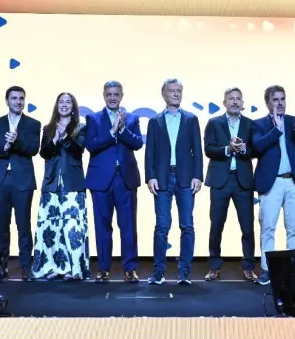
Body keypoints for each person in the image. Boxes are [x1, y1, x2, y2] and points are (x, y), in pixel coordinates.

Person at [84, 81, 144, 283]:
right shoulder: (93, 119)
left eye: (116, 94)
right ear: (104, 95)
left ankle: (130, 269)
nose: (112, 97)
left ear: (121, 96)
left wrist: (122, 129)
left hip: (125, 179)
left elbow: (138, 143)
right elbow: (91, 145)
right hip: (101, 180)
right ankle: (103, 269)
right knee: (102, 226)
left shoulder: (132, 118)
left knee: (128, 226)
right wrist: (111, 132)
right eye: (109, 94)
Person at [145, 78, 203, 285]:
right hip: (162, 178)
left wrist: (198, 176)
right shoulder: (155, 121)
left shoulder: (191, 119)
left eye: (179, 90)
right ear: (164, 94)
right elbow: (150, 151)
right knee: (162, 226)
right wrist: (150, 176)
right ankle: (158, 272)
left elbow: (197, 150)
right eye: (172, 90)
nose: (176, 93)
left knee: (187, 225)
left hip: (186, 178)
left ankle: (184, 272)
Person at [251, 85, 295, 286]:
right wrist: (276, 130)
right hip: (271, 182)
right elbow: (257, 147)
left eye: (282, 99)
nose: (280, 103)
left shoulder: (294, 122)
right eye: (275, 99)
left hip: (294, 181)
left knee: (294, 228)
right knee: (268, 227)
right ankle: (267, 270)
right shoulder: (258, 124)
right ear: (267, 102)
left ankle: (294, 270)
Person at [31, 92, 91, 281]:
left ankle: (75, 269)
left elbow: (78, 150)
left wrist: (65, 136)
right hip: (51, 184)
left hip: (73, 183)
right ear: (57, 106)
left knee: (73, 228)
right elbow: (44, 153)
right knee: (52, 228)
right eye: (61, 102)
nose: (64, 105)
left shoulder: (80, 128)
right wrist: (55, 139)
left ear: (73, 107)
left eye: (68, 102)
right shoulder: (48, 128)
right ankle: (54, 266)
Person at [0, 86, 41, 281]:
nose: (18, 102)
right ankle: (1, 268)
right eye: (14, 98)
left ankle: (26, 267)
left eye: (21, 98)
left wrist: (16, 142)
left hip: (23, 181)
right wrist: (5, 146)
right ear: (7, 101)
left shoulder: (33, 124)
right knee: (1, 227)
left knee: (23, 226)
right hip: (0, 180)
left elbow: (33, 149)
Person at [202, 87, 257, 282]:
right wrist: (228, 148)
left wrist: (242, 149)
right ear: (224, 103)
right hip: (220, 181)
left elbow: (256, 150)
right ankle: (214, 266)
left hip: (243, 182)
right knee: (216, 225)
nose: (235, 102)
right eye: (231, 99)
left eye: (238, 99)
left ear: (243, 103)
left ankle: (248, 267)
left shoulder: (250, 124)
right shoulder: (214, 122)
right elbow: (208, 149)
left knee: (247, 227)